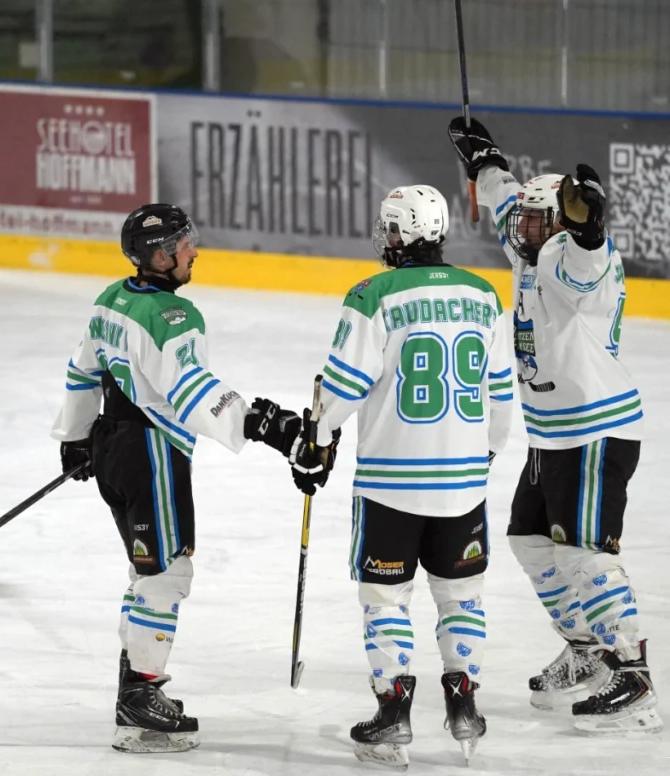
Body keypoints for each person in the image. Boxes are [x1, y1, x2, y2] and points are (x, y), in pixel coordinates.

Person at [251, 185, 514, 768]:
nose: (384, 236)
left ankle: (393, 712)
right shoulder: (483, 293)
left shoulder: (373, 294)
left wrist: (316, 441)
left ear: (402, 233)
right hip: (463, 484)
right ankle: (465, 704)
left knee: (385, 599)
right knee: (461, 596)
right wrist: (485, 454)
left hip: (391, 484)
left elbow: (341, 390)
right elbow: (500, 394)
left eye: (390, 227)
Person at [50, 203, 301, 753]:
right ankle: (141, 695)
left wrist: (75, 436)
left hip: (112, 447)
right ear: (159, 256)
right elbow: (190, 391)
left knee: (147, 572)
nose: (194, 252)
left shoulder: (111, 298)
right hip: (151, 452)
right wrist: (260, 423)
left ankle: (134, 690)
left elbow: (82, 369)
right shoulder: (173, 316)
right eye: (184, 245)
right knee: (166, 573)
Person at [448, 118, 659, 734]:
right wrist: (485, 160)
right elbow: (504, 199)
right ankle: (587, 650)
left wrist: (588, 227)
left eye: (539, 223)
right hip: (552, 433)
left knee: (584, 553)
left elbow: (588, 261)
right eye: (525, 222)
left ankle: (633, 673)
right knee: (530, 540)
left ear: (562, 225)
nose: (522, 230)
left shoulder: (574, 256)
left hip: (593, 429)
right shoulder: (530, 238)